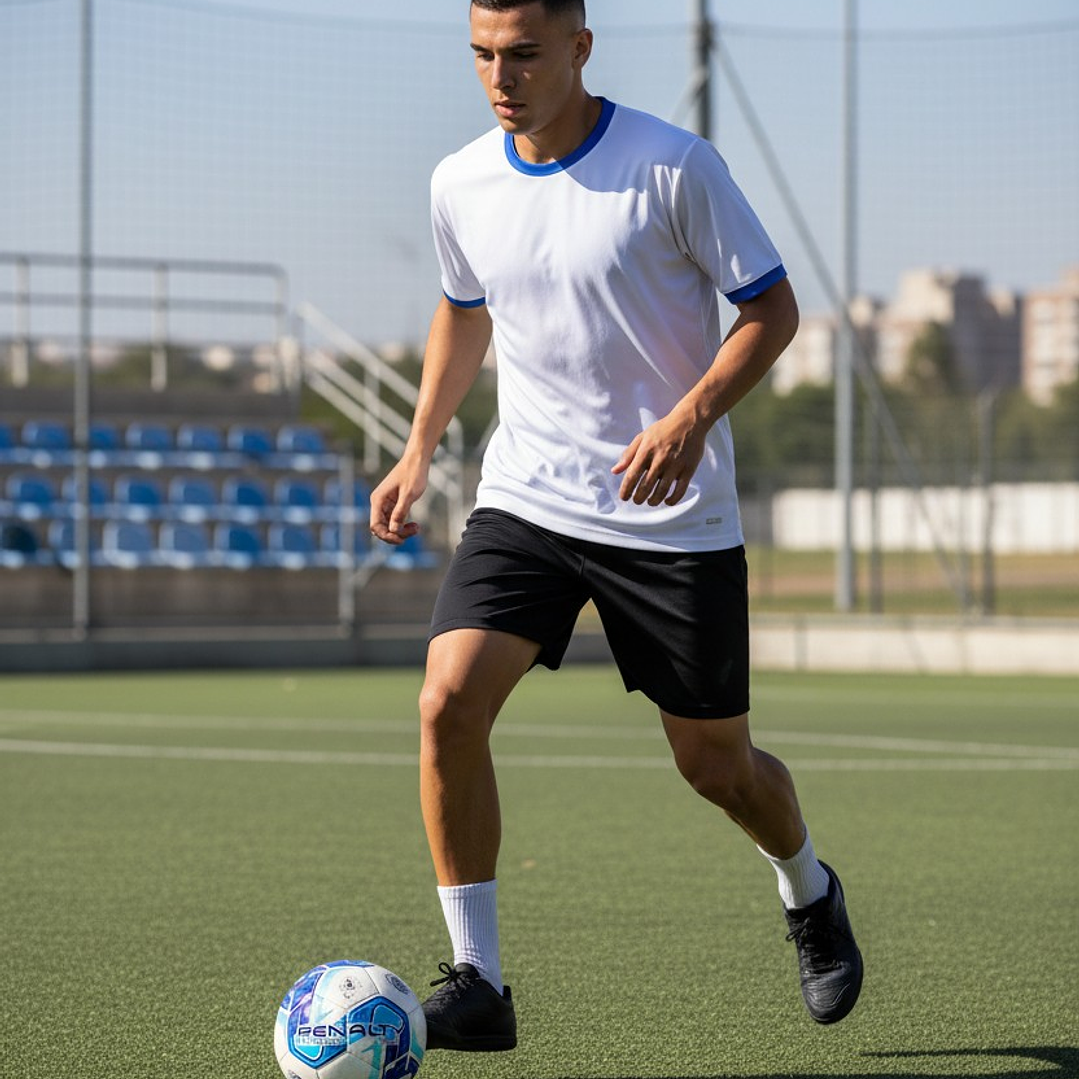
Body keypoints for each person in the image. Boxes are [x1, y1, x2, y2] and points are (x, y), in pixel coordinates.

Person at [369, 0, 863, 1052]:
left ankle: (807, 886)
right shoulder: (460, 180)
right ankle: (479, 979)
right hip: (528, 497)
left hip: (668, 511)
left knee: (715, 767)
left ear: (579, 47)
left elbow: (769, 310)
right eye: (481, 56)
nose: (500, 76)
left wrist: (690, 418)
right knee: (446, 701)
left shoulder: (673, 166)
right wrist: (419, 446)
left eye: (523, 54)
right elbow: (463, 309)